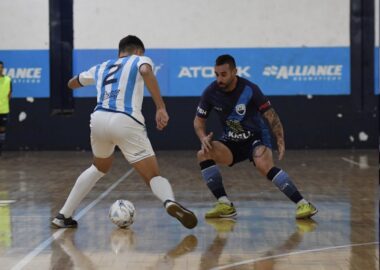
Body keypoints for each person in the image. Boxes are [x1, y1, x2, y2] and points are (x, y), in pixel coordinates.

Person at [51, 35, 197, 229]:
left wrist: (80, 81)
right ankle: (169, 201)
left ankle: (63, 215)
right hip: (125, 120)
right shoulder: (140, 60)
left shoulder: (102, 67)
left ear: (120, 51)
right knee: (153, 176)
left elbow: (72, 83)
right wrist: (160, 107)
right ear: (137, 51)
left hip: (99, 120)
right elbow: (145, 70)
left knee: (99, 167)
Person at [194, 54, 317, 219]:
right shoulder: (211, 92)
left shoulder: (250, 89)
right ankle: (225, 204)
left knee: (263, 165)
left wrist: (279, 138)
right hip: (231, 141)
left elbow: (271, 115)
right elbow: (198, 121)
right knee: (203, 154)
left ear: (234, 72)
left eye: (223, 75)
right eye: (216, 74)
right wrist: (203, 138)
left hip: (255, 139)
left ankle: (303, 204)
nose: (219, 79)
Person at [0, 61, 12, 155]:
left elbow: (10, 94)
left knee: (2, 130)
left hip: (4, 109)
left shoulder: (8, 79)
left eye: (1, 67)